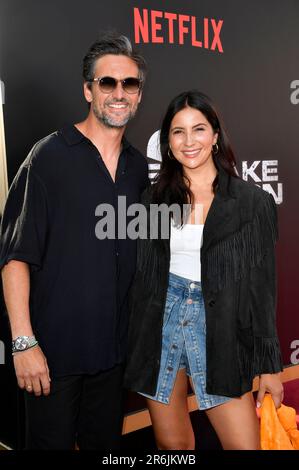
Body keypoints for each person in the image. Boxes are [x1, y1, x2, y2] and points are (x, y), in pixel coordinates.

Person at [0, 33, 149, 450]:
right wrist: (23, 343)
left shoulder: (139, 168)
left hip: (114, 357)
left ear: (138, 95)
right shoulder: (48, 156)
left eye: (129, 84)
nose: (119, 93)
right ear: (88, 90)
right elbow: (15, 258)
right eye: (107, 83)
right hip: (52, 357)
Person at [124, 90, 284, 450]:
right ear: (167, 142)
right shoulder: (152, 200)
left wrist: (270, 366)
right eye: (178, 132)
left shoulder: (251, 203)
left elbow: (262, 290)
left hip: (220, 325)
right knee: (174, 447)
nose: (188, 141)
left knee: (244, 445)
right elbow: (143, 277)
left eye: (198, 129)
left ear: (215, 136)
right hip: (160, 322)